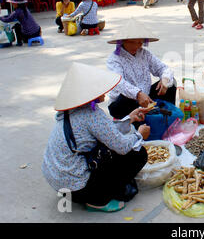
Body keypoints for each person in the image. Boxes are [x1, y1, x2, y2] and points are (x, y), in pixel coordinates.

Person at [42, 62, 152, 212]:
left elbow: (105, 132)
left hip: (58, 182)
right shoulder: (91, 115)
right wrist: (140, 134)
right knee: (138, 154)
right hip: (78, 189)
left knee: (111, 148)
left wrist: (130, 118)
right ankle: (98, 200)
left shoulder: (70, 111)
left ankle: (94, 192)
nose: (105, 91)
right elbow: (122, 146)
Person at [106, 19, 176, 123]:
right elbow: (119, 83)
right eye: (133, 42)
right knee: (126, 98)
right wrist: (138, 94)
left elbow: (163, 68)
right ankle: (136, 122)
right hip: (124, 103)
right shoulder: (114, 59)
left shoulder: (144, 54)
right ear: (123, 42)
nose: (137, 46)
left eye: (140, 43)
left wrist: (165, 80)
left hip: (145, 97)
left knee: (171, 83)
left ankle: (167, 119)